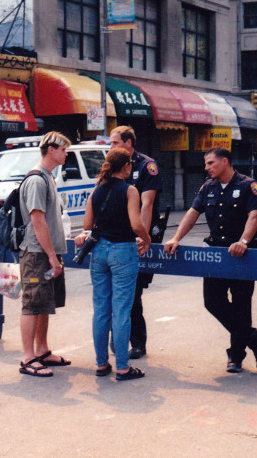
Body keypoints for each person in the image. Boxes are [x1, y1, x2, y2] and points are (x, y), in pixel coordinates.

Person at [164, 147, 257, 373]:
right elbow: (192, 214)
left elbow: (254, 216)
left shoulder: (248, 185)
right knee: (212, 301)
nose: (206, 167)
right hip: (215, 253)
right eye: (206, 163)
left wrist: (243, 241)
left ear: (225, 162)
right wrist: (175, 238)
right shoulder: (208, 187)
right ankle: (254, 337)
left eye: (211, 163)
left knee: (241, 305)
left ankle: (236, 357)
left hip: (242, 253)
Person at [75, 148, 151, 380]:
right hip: (122, 251)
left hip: (98, 251)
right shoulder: (130, 190)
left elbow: (88, 223)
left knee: (101, 310)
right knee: (121, 311)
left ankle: (101, 364)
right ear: (126, 166)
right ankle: (122, 367)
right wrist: (146, 239)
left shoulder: (96, 190)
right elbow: (136, 224)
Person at [17, 132, 72, 377]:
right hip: (37, 252)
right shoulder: (37, 180)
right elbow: (38, 221)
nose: (66, 153)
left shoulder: (49, 177)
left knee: (44, 303)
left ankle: (42, 350)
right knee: (32, 303)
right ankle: (28, 357)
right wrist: (51, 255)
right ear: (51, 149)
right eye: (63, 149)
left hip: (47, 252)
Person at [109, 125, 162, 359]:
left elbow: (147, 204)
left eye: (114, 143)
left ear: (129, 143)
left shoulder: (146, 166)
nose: (110, 147)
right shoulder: (113, 165)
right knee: (114, 290)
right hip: (117, 235)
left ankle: (138, 342)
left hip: (138, 234)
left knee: (133, 292)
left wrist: (141, 236)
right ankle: (118, 333)